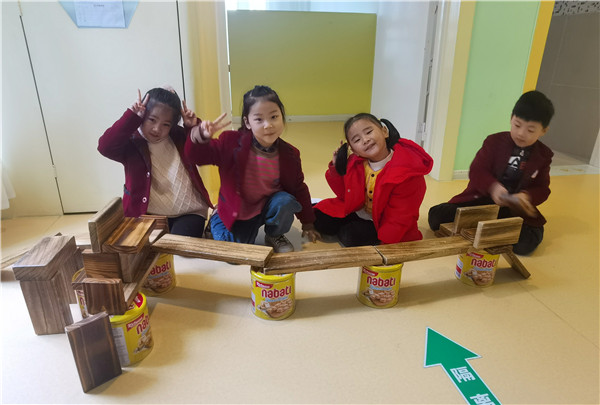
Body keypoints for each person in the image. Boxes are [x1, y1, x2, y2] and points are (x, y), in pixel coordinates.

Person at [184, 85, 320, 253]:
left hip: (267, 206)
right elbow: (196, 158)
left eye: (274, 117)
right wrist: (200, 136)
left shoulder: (290, 154)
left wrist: (308, 223)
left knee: (286, 201)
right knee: (235, 252)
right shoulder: (230, 143)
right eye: (259, 119)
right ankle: (217, 219)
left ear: (282, 117)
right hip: (239, 210)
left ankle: (274, 234)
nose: (268, 125)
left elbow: (299, 187)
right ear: (247, 122)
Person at [428, 90, 555, 255]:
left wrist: (527, 197)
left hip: (511, 209)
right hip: (480, 201)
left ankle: (485, 227)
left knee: (527, 242)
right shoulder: (494, 142)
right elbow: (477, 171)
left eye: (531, 130)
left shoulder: (543, 155)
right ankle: (489, 228)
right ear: (511, 118)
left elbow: (542, 188)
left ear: (544, 131)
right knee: (436, 217)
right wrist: (493, 187)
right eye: (517, 125)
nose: (521, 133)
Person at [98, 87, 228, 237]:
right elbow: (105, 147)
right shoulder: (132, 142)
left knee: (180, 245)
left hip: (188, 211)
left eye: (166, 124)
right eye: (152, 120)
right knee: (142, 245)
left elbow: (200, 154)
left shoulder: (179, 136)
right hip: (146, 213)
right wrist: (131, 117)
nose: (156, 129)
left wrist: (192, 127)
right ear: (142, 115)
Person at [313, 113, 433, 247]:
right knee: (318, 218)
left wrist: (386, 243)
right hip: (359, 211)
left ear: (384, 131)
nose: (365, 140)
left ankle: (350, 230)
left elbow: (400, 216)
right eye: (357, 140)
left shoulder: (406, 171)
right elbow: (344, 195)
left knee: (351, 236)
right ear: (353, 149)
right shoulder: (356, 162)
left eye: (369, 132)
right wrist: (337, 168)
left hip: (383, 222)